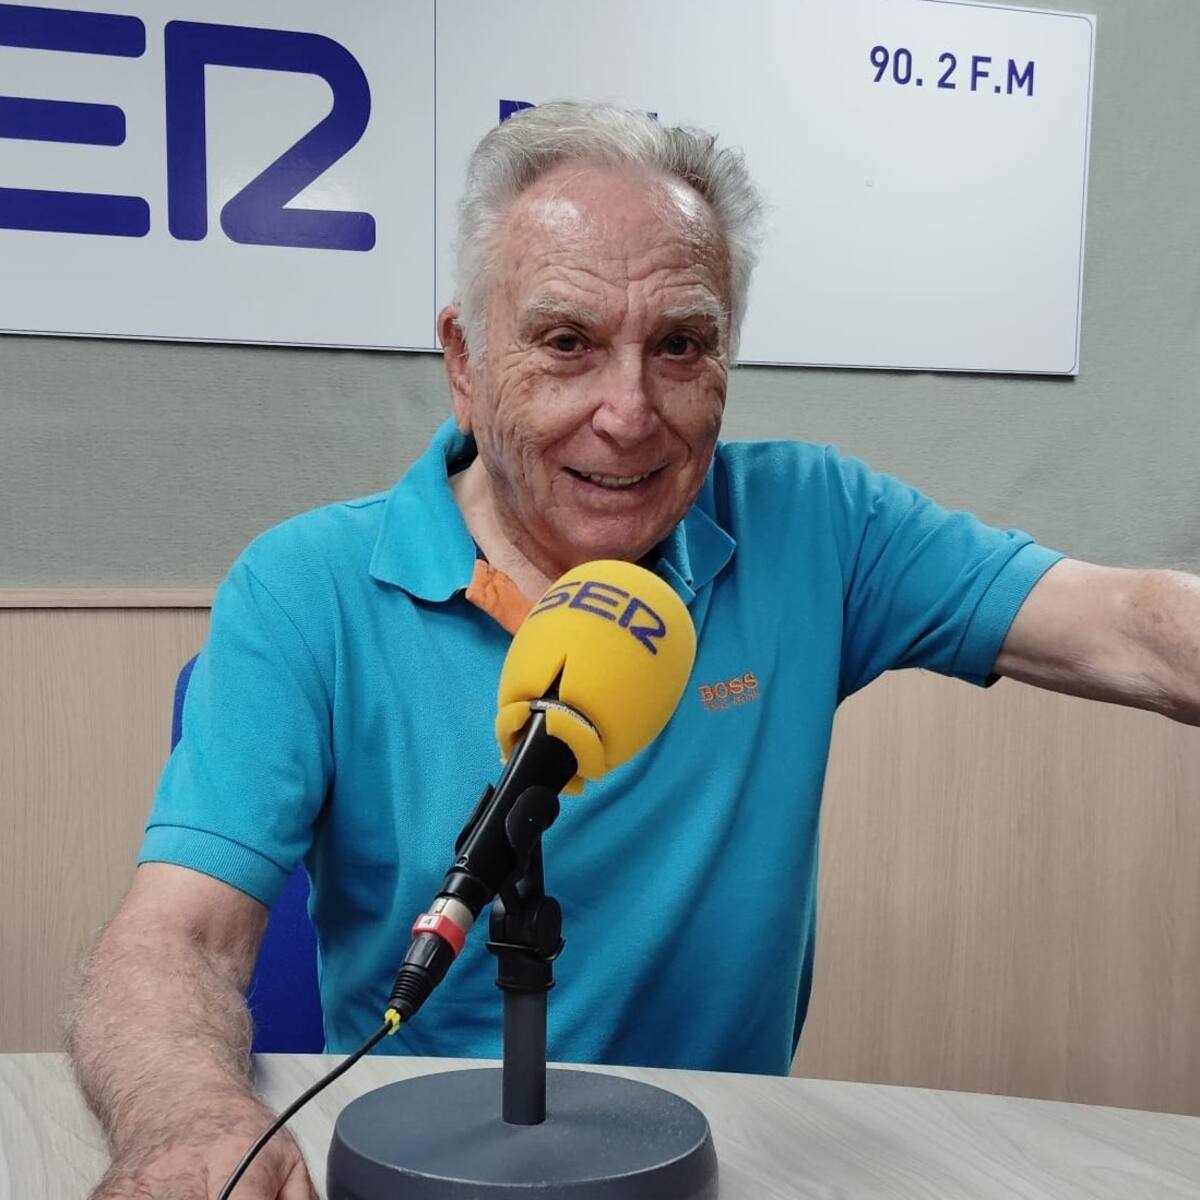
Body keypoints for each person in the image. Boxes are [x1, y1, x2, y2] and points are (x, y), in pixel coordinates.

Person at [68, 101, 1200, 1200]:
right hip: (419, 1173)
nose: (628, 412)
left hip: (719, 1169)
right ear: (464, 358)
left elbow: (1132, 628)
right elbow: (182, 934)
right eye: (566, 343)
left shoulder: (820, 527)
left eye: (681, 345)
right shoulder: (305, 585)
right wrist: (189, 1114)